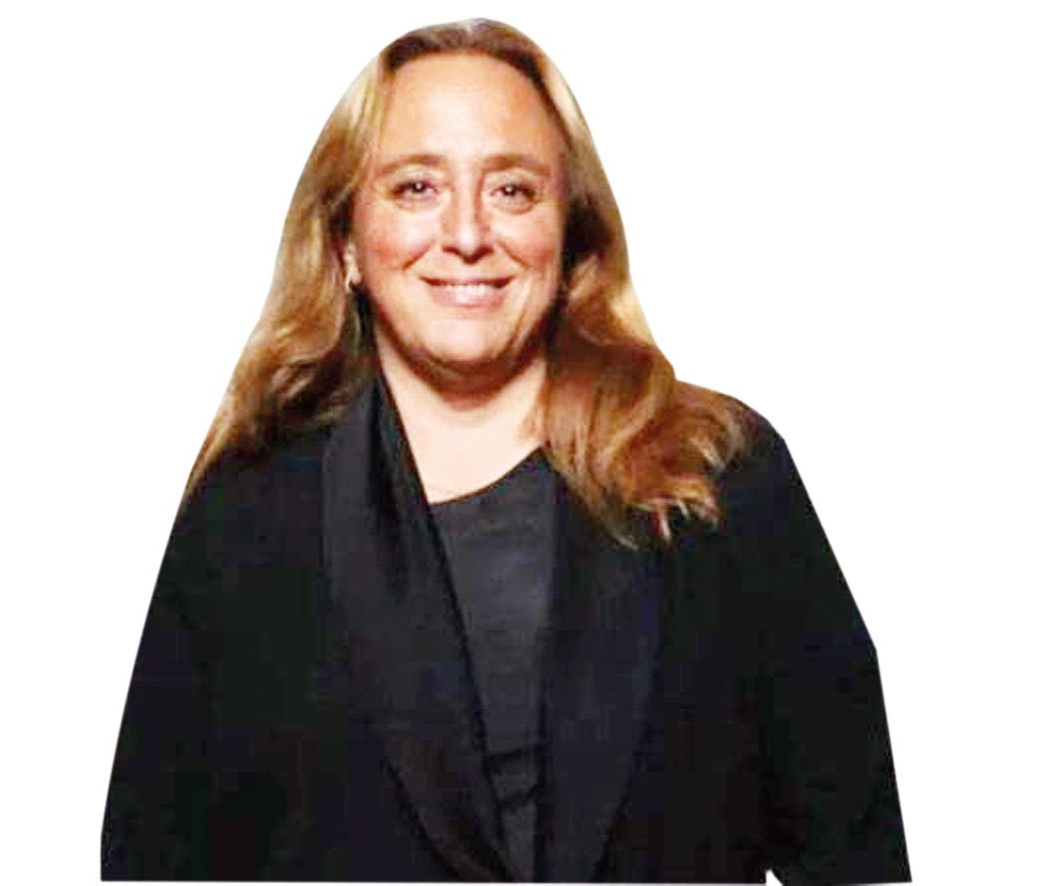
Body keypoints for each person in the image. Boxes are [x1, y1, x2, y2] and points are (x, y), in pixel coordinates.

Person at [102, 18, 910, 883]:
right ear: (345, 243)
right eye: (416, 187)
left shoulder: (716, 476)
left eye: (513, 190)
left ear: (570, 235)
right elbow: (155, 864)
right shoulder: (245, 518)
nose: (465, 234)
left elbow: (854, 854)